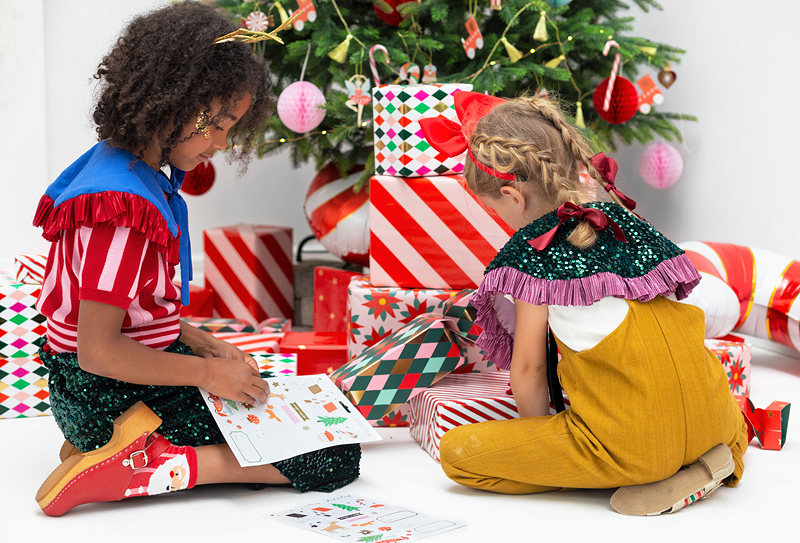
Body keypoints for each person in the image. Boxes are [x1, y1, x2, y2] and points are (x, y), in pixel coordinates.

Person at [33, 2, 359, 517]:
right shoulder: (124, 208)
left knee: (270, 404)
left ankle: (115, 448)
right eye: (219, 123)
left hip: (92, 391)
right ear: (173, 103)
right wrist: (207, 377)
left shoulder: (115, 169)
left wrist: (201, 342)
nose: (223, 143)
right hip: (110, 398)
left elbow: (125, 313)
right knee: (334, 454)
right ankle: (148, 464)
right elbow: (97, 350)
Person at [419, 91, 747, 516]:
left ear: (513, 198)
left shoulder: (536, 256)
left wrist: (537, 451)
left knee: (457, 453)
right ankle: (712, 463)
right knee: (709, 411)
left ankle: (641, 468)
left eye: (494, 209)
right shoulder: (623, 222)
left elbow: (530, 369)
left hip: (636, 442)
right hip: (720, 423)